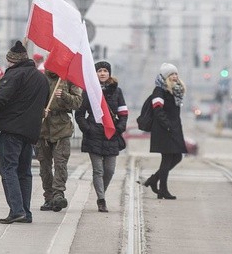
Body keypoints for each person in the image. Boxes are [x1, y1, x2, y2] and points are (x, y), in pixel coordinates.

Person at [0, 41, 50, 224]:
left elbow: (1, 98)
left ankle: (16, 210)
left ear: (12, 61)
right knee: (24, 171)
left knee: (8, 168)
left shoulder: (13, 75)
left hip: (12, 129)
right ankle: (26, 213)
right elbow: (44, 104)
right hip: (30, 132)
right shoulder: (41, 78)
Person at [75, 61, 128, 212]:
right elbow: (79, 114)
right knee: (98, 170)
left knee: (110, 170)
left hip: (111, 135)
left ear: (109, 73)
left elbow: (123, 113)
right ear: (95, 73)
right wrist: (87, 128)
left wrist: (119, 128)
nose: (103, 73)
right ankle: (101, 199)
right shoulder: (89, 91)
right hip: (94, 135)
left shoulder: (117, 92)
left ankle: (101, 192)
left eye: (105, 71)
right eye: (99, 71)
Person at [37, 69, 82, 212]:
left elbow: (77, 102)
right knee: (44, 165)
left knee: (60, 163)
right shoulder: (40, 78)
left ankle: (58, 194)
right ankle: (48, 197)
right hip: (42, 127)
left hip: (61, 127)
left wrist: (64, 95)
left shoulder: (68, 79)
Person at [140, 63, 187, 200]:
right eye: (171, 74)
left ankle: (154, 180)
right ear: (165, 77)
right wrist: (167, 125)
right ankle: (163, 190)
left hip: (174, 128)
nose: (174, 76)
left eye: (175, 74)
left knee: (177, 157)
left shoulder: (176, 90)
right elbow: (158, 110)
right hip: (164, 129)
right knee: (167, 159)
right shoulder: (159, 91)